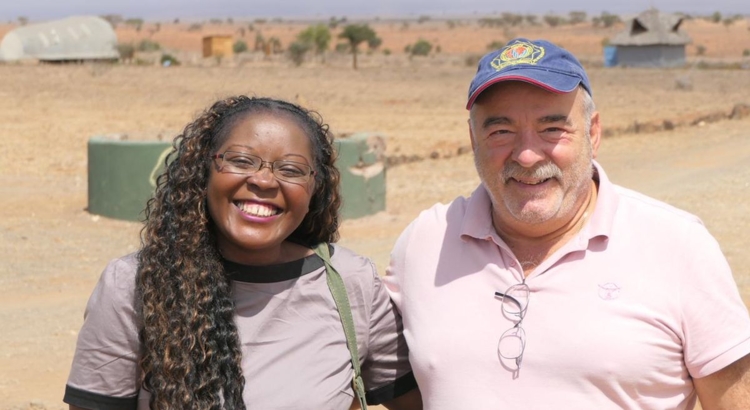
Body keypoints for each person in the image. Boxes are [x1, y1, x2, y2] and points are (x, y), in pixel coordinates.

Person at [384, 38, 750, 409]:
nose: (527, 155)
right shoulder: (424, 243)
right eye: (501, 132)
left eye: (552, 129)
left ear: (593, 133)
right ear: (472, 139)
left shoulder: (677, 245)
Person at [64, 96, 421, 410]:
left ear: (315, 188)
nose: (264, 181)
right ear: (204, 170)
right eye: (240, 160)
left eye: (291, 169)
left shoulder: (351, 282)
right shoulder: (133, 286)